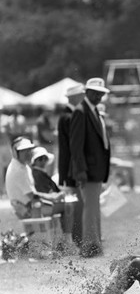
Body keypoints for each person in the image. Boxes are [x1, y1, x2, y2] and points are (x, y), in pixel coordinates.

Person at [69, 77, 111, 258]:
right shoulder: (81, 112)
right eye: (96, 93)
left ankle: (95, 244)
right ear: (87, 92)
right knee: (90, 208)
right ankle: (89, 247)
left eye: (101, 94)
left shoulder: (93, 111)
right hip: (88, 170)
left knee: (94, 208)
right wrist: (80, 170)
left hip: (96, 170)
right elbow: (76, 145)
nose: (99, 97)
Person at [5, 136, 63, 219]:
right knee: (66, 206)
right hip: (27, 209)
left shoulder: (22, 166)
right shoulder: (18, 170)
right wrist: (52, 197)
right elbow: (32, 196)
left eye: (29, 150)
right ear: (15, 153)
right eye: (24, 151)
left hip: (30, 206)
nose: (28, 153)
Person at [57, 83, 85, 246]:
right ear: (75, 97)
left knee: (76, 206)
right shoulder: (69, 117)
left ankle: (78, 237)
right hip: (71, 169)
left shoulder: (67, 115)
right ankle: (78, 238)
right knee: (76, 206)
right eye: (81, 96)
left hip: (70, 168)